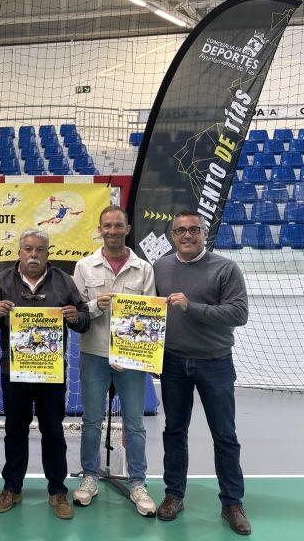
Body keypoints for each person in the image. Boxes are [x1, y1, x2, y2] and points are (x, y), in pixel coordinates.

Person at [153, 210, 250, 535]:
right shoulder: (161, 267)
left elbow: (238, 313)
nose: (187, 235)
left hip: (215, 362)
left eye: (194, 229)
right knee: (174, 431)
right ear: (172, 235)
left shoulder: (226, 268)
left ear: (204, 233)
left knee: (225, 434)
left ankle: (232, 502)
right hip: (173, 362)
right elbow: (147, 311)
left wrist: (191, 306)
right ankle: (173, 495)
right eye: (180, 230)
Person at [0, 229, 90, 520]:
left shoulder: (64, 281)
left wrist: (75, 317)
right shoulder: (3, 281)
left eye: (39, 250)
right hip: (13, 372)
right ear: (19, 252)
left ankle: (57, 490)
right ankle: (12, 487)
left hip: (51, 373)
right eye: (28, 249)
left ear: (47, 253)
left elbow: (84, 320)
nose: (33, 254)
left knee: (53, 432)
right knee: (14, 431)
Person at [71, 205, 157, 516]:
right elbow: (76, 311)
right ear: (100, 229)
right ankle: (90, 477)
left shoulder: (144, 269)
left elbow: (147, 318)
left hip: (131, 359)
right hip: (94, 354)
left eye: (118, 225)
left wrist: (129, 352)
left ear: (127, 228)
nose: (112, 231)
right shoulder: (84, 267)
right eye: (107, 225)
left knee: (134, 424)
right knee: (91, 421)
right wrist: (95, 304)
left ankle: (138, 482)